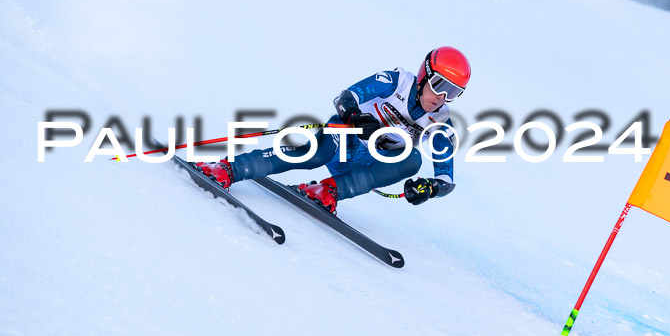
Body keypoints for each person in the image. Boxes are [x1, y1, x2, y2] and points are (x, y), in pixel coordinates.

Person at [197, 46, 471, 215]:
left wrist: (431, 188)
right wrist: (355, 116)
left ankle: (327, 190)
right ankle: (230, 168)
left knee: (413, 160)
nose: (442, 97)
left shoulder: (440, 125)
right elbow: (346, 98)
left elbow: (447, 180)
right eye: (439, 85)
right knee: (317, 152)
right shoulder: (395, 82)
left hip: (366, 165)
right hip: (343, 142)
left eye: (453, 92)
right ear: (424, 74)